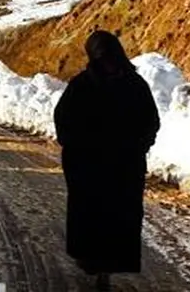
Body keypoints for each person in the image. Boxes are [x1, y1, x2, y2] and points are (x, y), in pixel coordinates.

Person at [53, 30, 161, 291]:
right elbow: (63, 120)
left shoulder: (135, 85)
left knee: (120, 218)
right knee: (91, 215)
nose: (108, 63)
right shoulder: (81, 85)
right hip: (89, 167)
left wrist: (139, 145)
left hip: (125, 166)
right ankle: (95, 264)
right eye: (102, 58)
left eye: (111, 56)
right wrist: (77, 148)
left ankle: (108, 268)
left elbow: (151, 121)